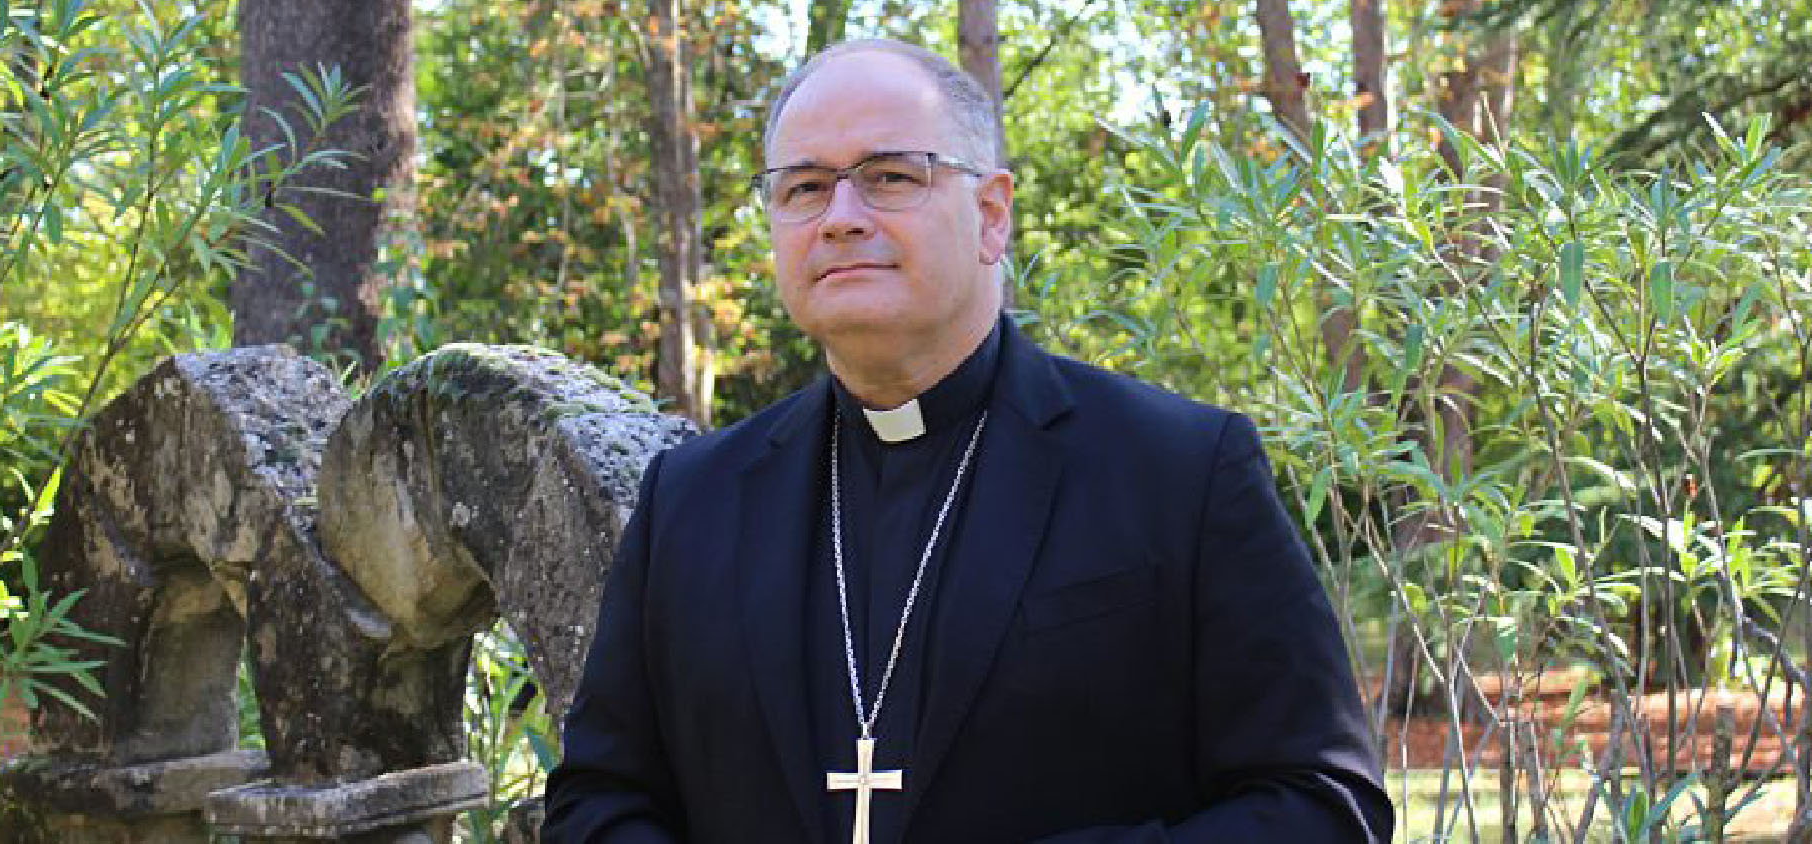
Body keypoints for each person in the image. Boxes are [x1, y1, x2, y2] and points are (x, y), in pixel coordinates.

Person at [543, 38, 1392, 843]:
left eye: (888, 177)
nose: (839, 217)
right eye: (803, 188)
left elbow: (1322, 807)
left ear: (992, 216)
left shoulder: (1179, 472)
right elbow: (601, 801)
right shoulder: (688, 502)